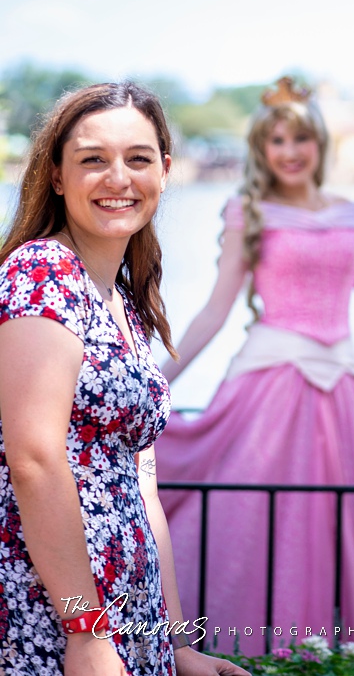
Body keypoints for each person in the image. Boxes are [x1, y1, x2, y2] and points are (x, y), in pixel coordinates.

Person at [154, 77, 354, 655]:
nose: (290, 151)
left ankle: (349, 652)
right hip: (268, 386)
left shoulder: (352, 214)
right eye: (277, 141)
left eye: (301, 139)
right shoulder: (247, 211)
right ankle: (242, 649)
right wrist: (152, 383)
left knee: (348, 524)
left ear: (320, 144)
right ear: (262, 151)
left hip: (344, 390)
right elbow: (215, 312)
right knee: (254, 521)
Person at [0, 82, 247, 676]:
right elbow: (33, 459)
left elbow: (143, 486)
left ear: (164, 172)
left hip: (126, 623)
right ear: (57, 176)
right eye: (92, 159)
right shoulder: (43, 272)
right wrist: (84, 629)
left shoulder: (126, 304)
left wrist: (179, 643)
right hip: (52, 613)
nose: (118, 178)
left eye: (137, 159)